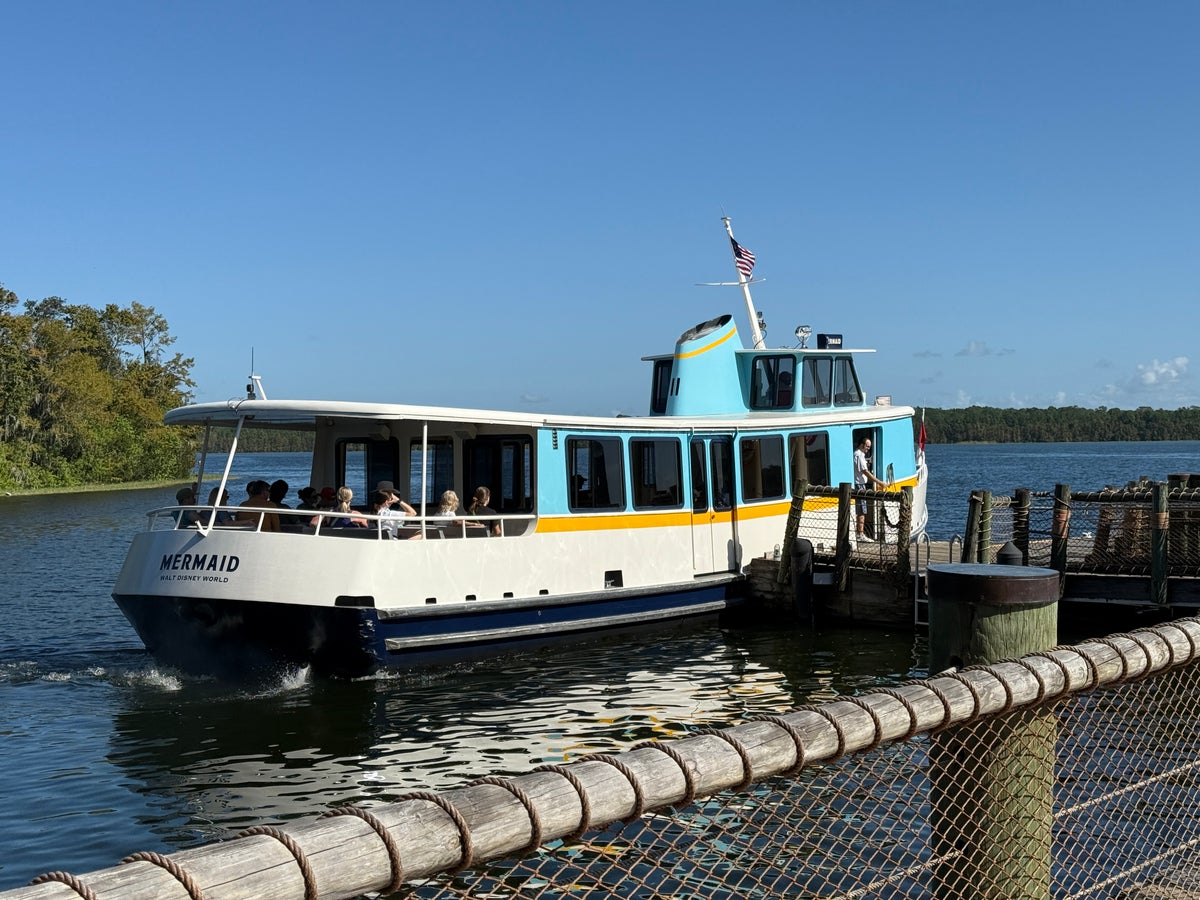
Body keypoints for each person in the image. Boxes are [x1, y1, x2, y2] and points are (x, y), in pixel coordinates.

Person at [853, 437, 888, 541]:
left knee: (861, 509)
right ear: (862, 445)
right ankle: (860, 534)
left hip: (860, 483)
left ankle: (860, 532)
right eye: (867, 446)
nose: (868, 449)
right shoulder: (858, 455)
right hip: (859, 484)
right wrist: (880, 482)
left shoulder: (859, 455)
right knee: (862, 510)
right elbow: (865, 471)